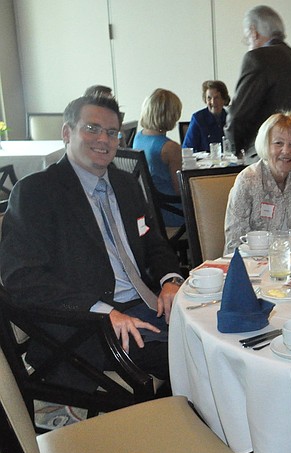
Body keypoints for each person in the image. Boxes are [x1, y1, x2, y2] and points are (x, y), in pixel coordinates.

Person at [0, 94, 182, 389]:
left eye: (112, 132)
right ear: (66, 133)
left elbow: (153, 243)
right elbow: (23, 278)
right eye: (92, 128)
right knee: (189, 355)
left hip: (146, 304)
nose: (103, 139)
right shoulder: (35, 193)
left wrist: (170, 280)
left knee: (216, 332)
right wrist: (101, 312)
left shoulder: (126, 185)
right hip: (84, 325)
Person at [226, 5, 291, 195]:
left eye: (247, 36)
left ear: (254, 32)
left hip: (273, 167)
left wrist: (236, 150)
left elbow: (238, 117)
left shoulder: (257, 58)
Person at [224, 111, 291, 254]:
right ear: (265, 145)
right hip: (252, 261)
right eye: (278, 143)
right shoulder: (248, 180)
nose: (286, 151)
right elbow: (235, 242)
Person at [132, 88, 184, 227]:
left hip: (151, 209)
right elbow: (180, 189)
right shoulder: (170, 148)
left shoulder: (139, 137)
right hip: (173, 210)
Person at [182, 80, 230, 152]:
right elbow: (187, 149)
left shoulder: (230, 118)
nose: (213, 102)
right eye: (209, 98)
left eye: (216, 98)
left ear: (223, 99)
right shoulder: (198, 119)